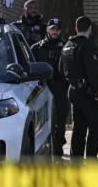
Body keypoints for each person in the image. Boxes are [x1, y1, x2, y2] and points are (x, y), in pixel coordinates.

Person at [59, 16, 98, 163]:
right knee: (96, 126)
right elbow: (92, 71)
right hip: (88, 92)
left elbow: (61, 69)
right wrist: (97, 91)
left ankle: (75, 161)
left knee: (78, 127)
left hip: (73, 91)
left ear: (76, 28)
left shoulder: (67, 46)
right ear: (89, 29)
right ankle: (91, 159)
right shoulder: (88, 46)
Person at [31, 18, 69, 158]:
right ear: (47, 29)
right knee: (43, 120)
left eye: (57, 29)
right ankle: (44, 147)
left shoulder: (66, 47)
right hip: (43, 89)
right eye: (52, 29)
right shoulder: (37, 48)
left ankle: (58, 146)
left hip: (60, 88)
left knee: (60, 119)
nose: (55, 32)